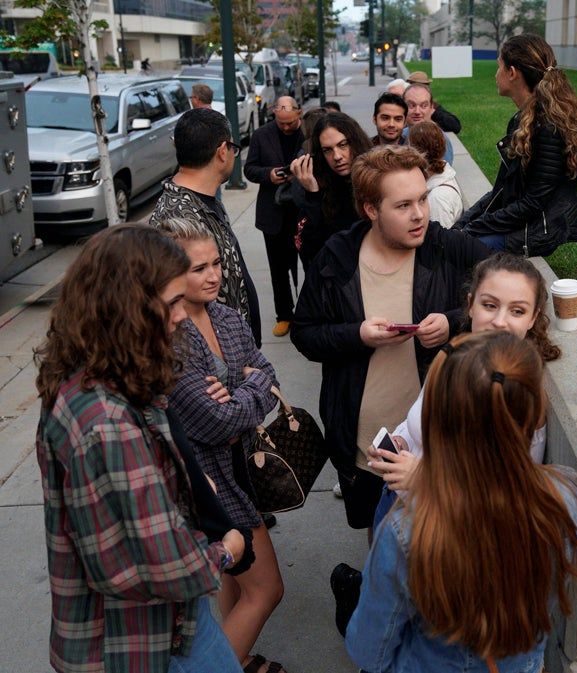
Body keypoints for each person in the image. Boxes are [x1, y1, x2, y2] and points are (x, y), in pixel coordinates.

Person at [35, 224, 246, 673]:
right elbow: (170, 566)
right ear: (129, 309)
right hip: (146, 641)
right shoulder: (109, 423)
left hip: (143, 632)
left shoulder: (85, 377)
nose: (182, 316)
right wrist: (225, 552)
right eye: (172, 303)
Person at [345, 331, 577, 673]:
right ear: (534, 415)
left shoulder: (407, 531)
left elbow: (370, 651)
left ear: (437, 422)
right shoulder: (567, 495)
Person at [290, 144, 490, 538]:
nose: (419, 214)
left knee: (439, 543)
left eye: (422, 199)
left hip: (438, 443)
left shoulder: (444, 245)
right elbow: (304, 333)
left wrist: (454, 321)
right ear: (370, 209)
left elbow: (507, 283)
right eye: (403, 206)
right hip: (366, 444)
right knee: (381, 539)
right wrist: (357, 335)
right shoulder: (337, 257)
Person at [159, 218, 287, 673]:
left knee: (237, 584)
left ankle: (238, 656)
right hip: (210, 482)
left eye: (216, 264)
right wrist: (251, 391)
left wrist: (242, 394)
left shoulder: (228, 317)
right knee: (267, 589)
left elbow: (267, 373)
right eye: (199, 268)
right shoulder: (169, 338)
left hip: (241, 468)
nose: (214, 275)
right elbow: (216, 422)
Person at [368, 252, 560, 530]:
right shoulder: (452, 356)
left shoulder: (519, 394)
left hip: (439, 534)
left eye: (517, 311)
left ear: (533, 318)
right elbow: (417, 421)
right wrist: (400, 442)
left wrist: (424, 480)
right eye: (490, 305)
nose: (500, 321)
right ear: (471, 305)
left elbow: (508, 498)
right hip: (394, 503)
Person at [454, 33, 577, 257]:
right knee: (453, 240)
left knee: (457, 251)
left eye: (499, 67)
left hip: (535, 231)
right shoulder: (523, 120)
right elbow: (501, 191)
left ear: (512, 73)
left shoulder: (548, 128)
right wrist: (464, 223)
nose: (496, 74)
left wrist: (471, 230)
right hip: (519, 221)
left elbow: (533, 204)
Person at [150, 107, 263, 347]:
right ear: (222, 151)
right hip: (218, 357)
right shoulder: (177, 217)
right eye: (233, 148)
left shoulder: (207, 200)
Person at [243, 96, 305, 337]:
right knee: (278, 269)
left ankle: (310, 312)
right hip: (274, 212)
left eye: (291, 122)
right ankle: (284, 315)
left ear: (299, 113)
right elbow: (249, 169)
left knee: (311, 265)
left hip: (303, 211)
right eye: (281, 123)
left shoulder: (309, 133)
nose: (286, 127)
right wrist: (269, 174)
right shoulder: (261, 135)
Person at [288, 112, 372, 269]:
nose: (337, 156)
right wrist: (312, 193)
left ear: (356, 142)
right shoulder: (320, 187)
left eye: (343, 145)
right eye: (328, 150)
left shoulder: (376, 180)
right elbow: (308, 250)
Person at [407, 120, 463, 228]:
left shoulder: (437, 199)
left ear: (415, 153)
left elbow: (440, 237)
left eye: (409, 146)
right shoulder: (438, 178)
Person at [402, 83, 454, 164]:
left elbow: (442, 170)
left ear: (431, 107)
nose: (417, 111)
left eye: (424, 106)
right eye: (411, 105)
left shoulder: (439, 140)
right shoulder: (401, 135)